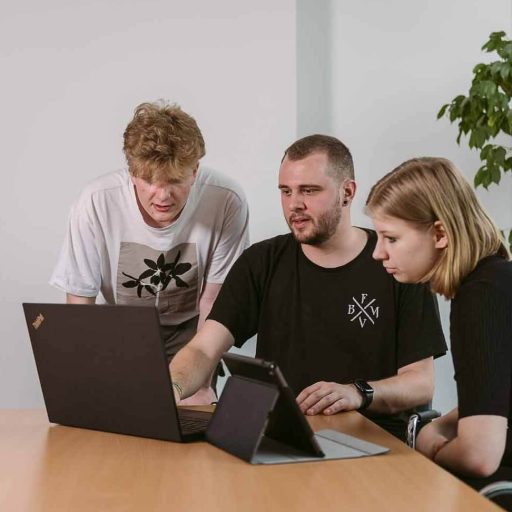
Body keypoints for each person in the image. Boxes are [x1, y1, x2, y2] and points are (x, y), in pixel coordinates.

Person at [170, 134, 446, 440]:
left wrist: (359, 393)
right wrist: (174, 386)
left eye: (309, 191)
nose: (294, 204)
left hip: (374, 440)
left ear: (347, 192)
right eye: (286, 191)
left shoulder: (396, 263)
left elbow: (420, 382)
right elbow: (204, 348)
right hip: (281, 438)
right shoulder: (261, 262)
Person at [50, 101, 249, 404]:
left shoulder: (227, 201)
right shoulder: (95, 202)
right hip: (120, 331)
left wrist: (202, 383)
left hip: (191, 333)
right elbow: (80, 304)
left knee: (191, 416)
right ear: (131, 173)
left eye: (175, 182)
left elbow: (213, 302)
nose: (163, 196)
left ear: (195, 171)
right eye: (150, 182)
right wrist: (83, 380)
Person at [365, 156, 512, 489]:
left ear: (441, 233)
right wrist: (445, 423)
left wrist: (430, 447)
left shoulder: (481, 297)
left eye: (391, 238)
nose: (378, 253)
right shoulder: (497, 279)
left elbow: (479, 455)